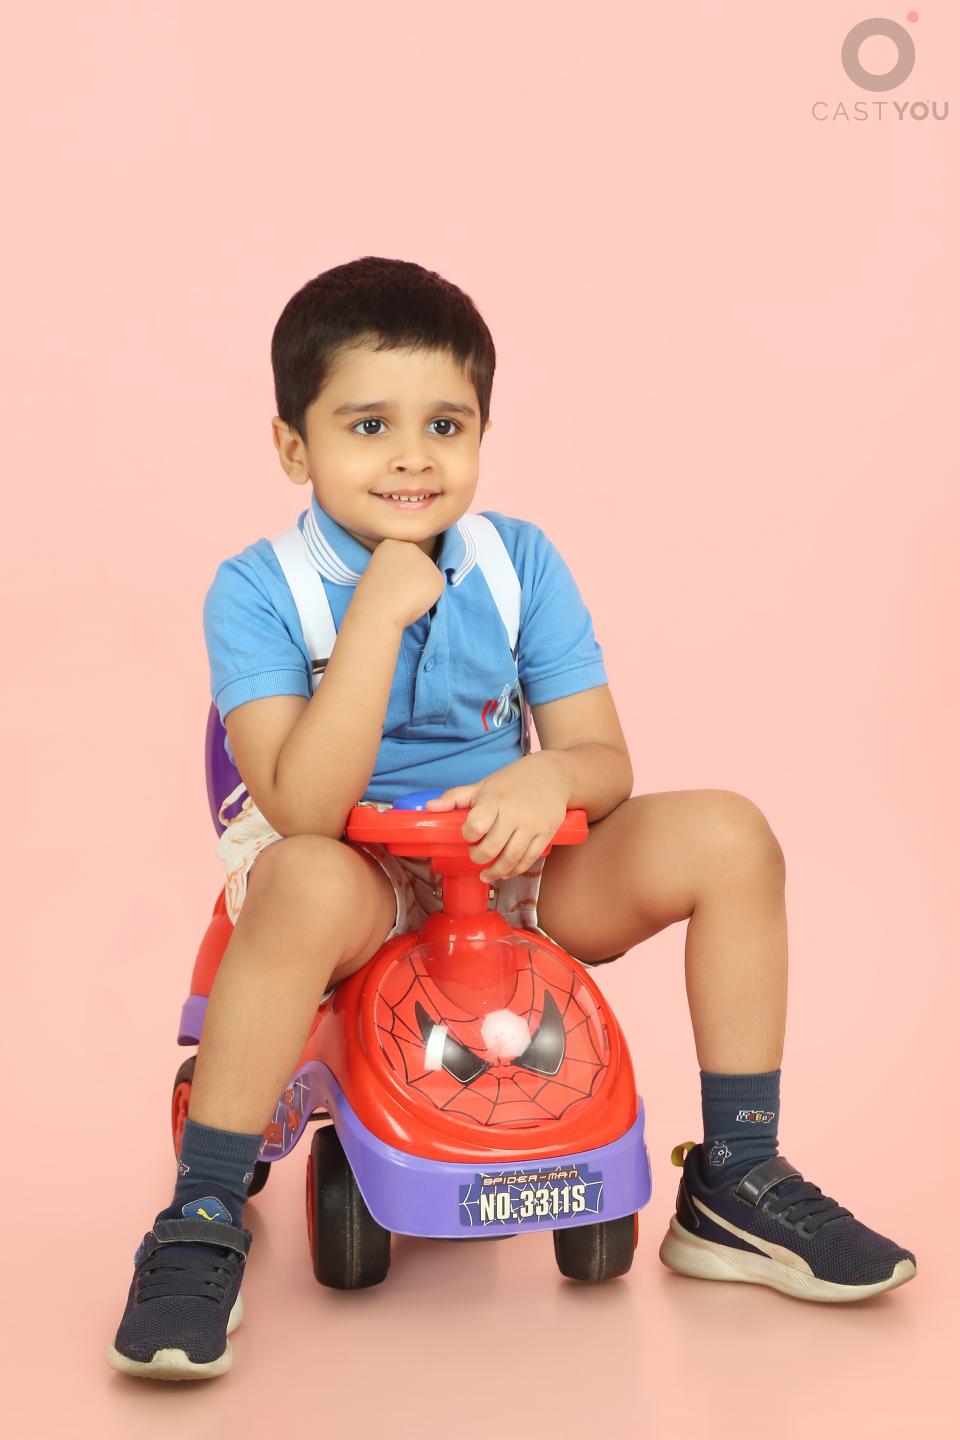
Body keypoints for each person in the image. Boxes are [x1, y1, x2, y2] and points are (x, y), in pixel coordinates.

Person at [108, 256, 916, 1381]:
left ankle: (737, 1174)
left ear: (482, 432)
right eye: (369, 426)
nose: (412, 456)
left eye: (445, 425)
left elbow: (605, 761)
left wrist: (551, 780)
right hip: (346, 865)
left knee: (731, 835)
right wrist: (378, 613)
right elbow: (300, 806)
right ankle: (201, 1212)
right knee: (302, 879)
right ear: (295, 448)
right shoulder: (257, 589)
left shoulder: (517, 561)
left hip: (505, 861)